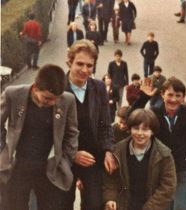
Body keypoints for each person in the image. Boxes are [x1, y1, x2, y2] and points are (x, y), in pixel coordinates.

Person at [128, 77, 186, 210]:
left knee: (180, 207)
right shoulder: (154, 112)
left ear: (183, 98)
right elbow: (130, 120)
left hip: (184, 169)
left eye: (178, 96)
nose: (173, 99)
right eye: (170, 95)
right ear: (162, 95)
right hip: (160, 169)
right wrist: (143, 98)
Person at [0, 64, 79, 210]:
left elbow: (72, 133)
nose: (52, 103)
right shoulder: (13, 94)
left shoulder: (68, 100)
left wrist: (66, 160)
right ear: (35, 88)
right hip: (17, 167)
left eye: (56, 98)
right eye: (47, 98)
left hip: (48, 170)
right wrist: (3, 151)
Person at [64, 39, 116, 210]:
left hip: (92, 158)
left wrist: (108, 151)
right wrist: (73, 154)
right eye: (80, 64)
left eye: (89, 65)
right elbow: (50, 133)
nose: (85, 70)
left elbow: (105, 125)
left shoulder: (99, 87)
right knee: (62, 203)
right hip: (64, 159)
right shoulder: (58, 88)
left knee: (94, 204)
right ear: (69, 61)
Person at [104, 108, 177, 210]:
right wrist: (110, 198)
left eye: (145, 129)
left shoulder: (164, 155)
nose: (140, 133)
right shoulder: (118, 151)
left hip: (152, 206)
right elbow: (111, 179)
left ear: (152, 131)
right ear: (130, 129)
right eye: (136, 128)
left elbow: (168, 186)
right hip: (125, 205)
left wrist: (150, 207)